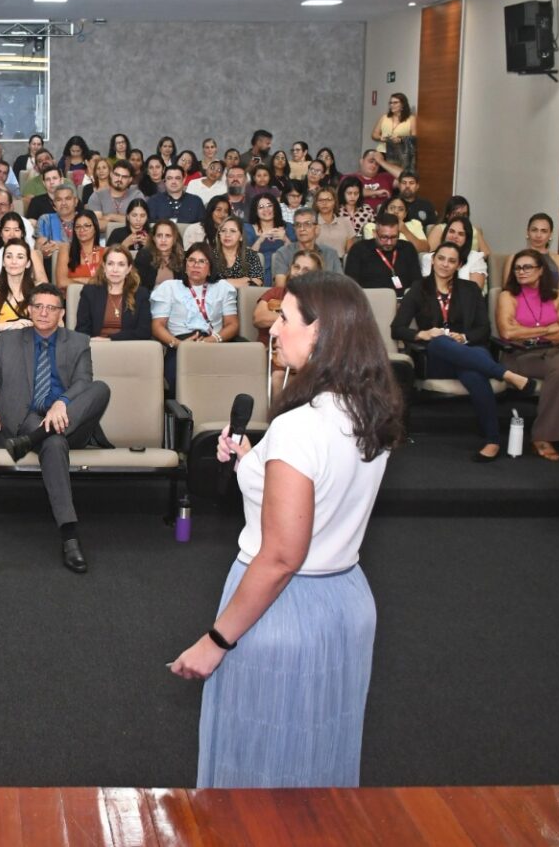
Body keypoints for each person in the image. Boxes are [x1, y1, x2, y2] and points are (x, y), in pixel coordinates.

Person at [172, 271, 402, 789]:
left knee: (257, 775)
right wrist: (255, 462)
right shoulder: (368, 411)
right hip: (345, 601)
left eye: (284, 317)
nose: (273, 329)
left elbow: (281, 556)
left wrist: (216, 640)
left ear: (320, 333)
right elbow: (322, 494)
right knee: (319, 761)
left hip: (284, 613)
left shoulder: (300, 425)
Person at [0, 283, 112, 573]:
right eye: (38, 306)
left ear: (61, 313)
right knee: (54, 443)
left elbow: (84, 383)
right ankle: (69, 536)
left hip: (70, 421)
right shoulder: (9, 341)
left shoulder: (79, 342)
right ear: (30, 309)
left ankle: (33, 439)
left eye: (51, 307)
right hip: (26, 419)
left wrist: (62, 403)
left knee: (101, 388)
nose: (44, 312)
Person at [394, 242, 535, 460]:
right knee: (440, 342)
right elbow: (397, 328)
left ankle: (492, 441)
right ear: (433, 259)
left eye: (451, 261)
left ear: (459, 265)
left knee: (472, 372)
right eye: (441, 258)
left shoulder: (470, 290)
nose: (445, 264)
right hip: (437, 359)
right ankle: (505, 374)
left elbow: (484, 329)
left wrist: (465, 337)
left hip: (470, 353)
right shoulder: (418, 289)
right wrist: (423, 334)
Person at [494, 249, 559, 461]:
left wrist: (528, 333)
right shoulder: (508, 296)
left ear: (541, 270)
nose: (521, 272)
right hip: (519, 356)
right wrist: (547, 329)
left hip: (552, 352)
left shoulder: (556, 297)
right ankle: (542, 436)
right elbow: (507, 333)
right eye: (517, 268)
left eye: (527, 267)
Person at [150, 244, 240, 388]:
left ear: (210, 268)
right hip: (179, 344)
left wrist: (213, 340)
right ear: (185, 266)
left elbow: (232, 324)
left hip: (214, 343)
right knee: (177, 379)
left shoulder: (223, 288)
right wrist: (179, 344)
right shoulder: (169, 287)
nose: (195, 265)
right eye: (191, 260)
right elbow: (157, 326)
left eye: (202, 261)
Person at [255, 249, 323, 395]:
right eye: (296, 267)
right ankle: (277, 417)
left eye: (306, 270)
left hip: (308, 355)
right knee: (279, 377)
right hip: (274, 352)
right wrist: (296, 318)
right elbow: (259, 318)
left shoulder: (320, 300)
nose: (299, 272)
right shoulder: (276, 293)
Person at [74, 246, 151, 341]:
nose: (115, 270)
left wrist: (110, 339)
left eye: (121, 265)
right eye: (110, 264)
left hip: (129, 349)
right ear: (104, 267)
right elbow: (81, 330)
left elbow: (144, 332)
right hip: (96, 348)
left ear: (128, 269)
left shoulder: (141, 294)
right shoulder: (89, 292)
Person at [344, 214, 421, 298]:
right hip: (370, 301)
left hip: (404, 301)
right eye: (384, 237)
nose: (389, 242)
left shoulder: (407, 248)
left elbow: (417, 281)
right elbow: (351, 284)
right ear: (375, 233)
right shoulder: (359, 249)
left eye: (394, 237)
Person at [0, 213, 48, 293]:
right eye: (7, 230)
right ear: (0, 233)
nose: (12, 234)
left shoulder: (32, 254)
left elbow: (43, 282)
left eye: (16, 230)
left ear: (22, 233)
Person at [500, 213, 559, 296]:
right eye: (534, 230)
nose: (538, 235)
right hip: (521, 303)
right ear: (527, 232)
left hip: (550, 304)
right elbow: (508, 291)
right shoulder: (514, 258)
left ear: (550, 235)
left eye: (544, 231)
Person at [271, 208, 342, 283]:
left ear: (317, 228)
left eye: (307, 224)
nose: (302, 229)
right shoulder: (283, 253)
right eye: (298, 225)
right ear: (294, 229)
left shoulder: (330, 254)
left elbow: (341, 285)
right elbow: (280, 287)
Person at [420, 215, 486, 292]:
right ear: (445, 234)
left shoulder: (475, 258)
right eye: (451, 231)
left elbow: (475, 293)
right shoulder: (429, 258)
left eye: (461, 234)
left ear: (467, 239)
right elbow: (425, 290)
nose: (454, 236)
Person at [54, 211, 105, 291]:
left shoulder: (106, 252)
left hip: (100, 299)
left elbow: (108, 282)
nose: (82, 230)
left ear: (95, 228)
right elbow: (61, 282)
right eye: (78, 227)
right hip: (73, 299)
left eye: (87, 226)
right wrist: (93, 281)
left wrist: (75, 280)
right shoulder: (66, 250)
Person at [426, 196, 493, 257]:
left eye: (464, 215)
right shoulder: (440, 228)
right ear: (448, 215)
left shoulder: (474, 230)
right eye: (456, 214)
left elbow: (486, 253)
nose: (460, 218)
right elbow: (430, 253)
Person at [371, 92, 417, 174]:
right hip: (382, 152)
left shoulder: (411, 119)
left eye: (395, 102)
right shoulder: (384, 117)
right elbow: (374, 134)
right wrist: (381, 138)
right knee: (381, 177)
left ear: (403, 104)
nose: (392, 105)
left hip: (400, 154)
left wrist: (401, 139)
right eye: (390, 103)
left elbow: (415, 137)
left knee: (397, 179)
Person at [87, 161, 140, 232]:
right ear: (111, 174)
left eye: (124, 177)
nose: (119, 179)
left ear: (130, 179)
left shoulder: (136, 195)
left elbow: (138, 221)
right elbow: (97, 225)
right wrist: (126, 221)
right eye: (117, 175)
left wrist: (111, 217)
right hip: (103, 241)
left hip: (131, 237)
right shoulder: (97, 196)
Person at [214, 217, 265, 289]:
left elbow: (258, 282)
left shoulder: (251, 255)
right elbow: (207, 283)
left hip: (246, 299)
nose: (227, 234)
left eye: (233, 231)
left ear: (241, 237)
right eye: (223, 230)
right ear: (219, 235)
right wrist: (247, 279)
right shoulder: (210, 256)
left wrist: (222, 282)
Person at [135, 220, 185, 290]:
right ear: (154, 238)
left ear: (174, 238)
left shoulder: (181, 257)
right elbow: (138, 287)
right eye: (159, 236)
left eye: (168, 236)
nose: (163, 240)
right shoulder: (144, 256)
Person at [247, 193, 294, 263]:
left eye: (269, 206)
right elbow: (247, 260)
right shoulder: (248, 229)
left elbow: (295, 256)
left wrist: (285, 239)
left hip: (283, 270)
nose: (266, 209)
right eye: (261, 207)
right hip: (257, 271)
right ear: (255, 211)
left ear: (275, 208)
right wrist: (259, 240)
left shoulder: (288, 227)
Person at [312, 188, 355, 256]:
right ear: (316, 203)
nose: (324, 203)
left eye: (328, 200)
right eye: (320, 200)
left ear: (334, 202)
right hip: (318, 263)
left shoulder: (345, 222)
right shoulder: (311, 224)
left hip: (341, 263)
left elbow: (350, 253)